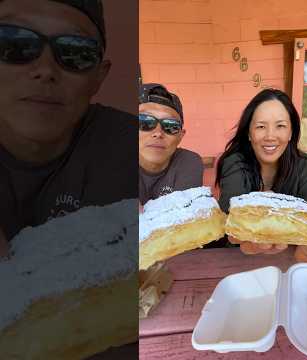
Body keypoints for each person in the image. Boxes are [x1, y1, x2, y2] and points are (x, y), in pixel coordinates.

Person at [0, 0, 137, 256]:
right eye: (13, 43)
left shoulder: (128, 144)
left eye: (76, 52)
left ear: (99, 76)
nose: (45, 70)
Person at [215, 88, 307, 264]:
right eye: (260, 127)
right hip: (240, 261)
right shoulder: (234, 162)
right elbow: (230, 216)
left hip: (290, 261)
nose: (270, 136)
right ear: (249, 134)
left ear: (291, 133)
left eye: (280, 126)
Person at [138, 83, 204, 210]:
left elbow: (183, 219)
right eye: (144, 122)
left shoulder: (189, 162)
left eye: (170, 126)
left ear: (180, 136)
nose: (158, 133)